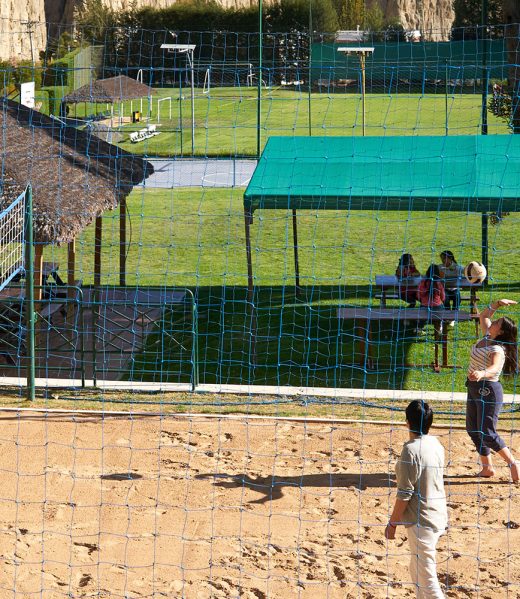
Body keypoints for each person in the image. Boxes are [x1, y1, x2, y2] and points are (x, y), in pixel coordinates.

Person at [385, 400, 447, 598]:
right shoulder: (436, 444)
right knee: (417, 571)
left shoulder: (410, 450)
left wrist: (392, 523)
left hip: (423, 521)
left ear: (407, 422)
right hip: (438, 514)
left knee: (428, 582)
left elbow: (404, 493)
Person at [466, 298, 519, 482]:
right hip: (473, 387)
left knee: (487, 431)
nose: (492, 322)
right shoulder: (487, 336)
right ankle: (487, 468)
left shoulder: (498, 348)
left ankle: (513, 463)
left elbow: (495, 368)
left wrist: (483, 372)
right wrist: (497, 303)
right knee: (473, 429)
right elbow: (484, 315)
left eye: (496, 323)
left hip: (488, 390)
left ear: (501, 331)